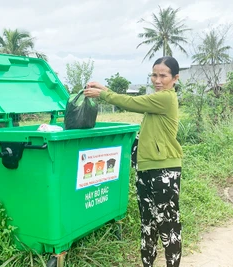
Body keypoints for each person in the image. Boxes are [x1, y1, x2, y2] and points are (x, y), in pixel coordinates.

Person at [84, 56, 183, 267]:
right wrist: (104, 88)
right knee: (148, 224)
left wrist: (103, 94)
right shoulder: (157, 99)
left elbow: (131, 102)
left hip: (164, 170)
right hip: (146, 169)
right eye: (154, 74)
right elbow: (134, 101)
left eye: (163, 75)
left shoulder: (166, 98)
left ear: (175, 78)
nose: (157, 80)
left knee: (168, 225)